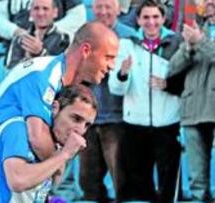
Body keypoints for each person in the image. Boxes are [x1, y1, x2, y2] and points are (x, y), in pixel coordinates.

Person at [0, 22, 119, 198]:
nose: (112, 66)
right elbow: (37, 137)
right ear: (86, 50)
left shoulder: (62, 85)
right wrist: (60, 160)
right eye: (108, 57)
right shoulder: (43, 74)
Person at [108, 1, 182, 202]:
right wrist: (123, 73)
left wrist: (167, 84)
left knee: (168, 185)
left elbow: (185, 83)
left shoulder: (176, 43)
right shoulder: (127, 44)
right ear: (138, 20)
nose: (151, 22)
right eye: (146, 17)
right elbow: (116, 88)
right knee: (138, 184)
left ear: (163, 19)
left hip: (167, 123)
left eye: (156, 17)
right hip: (135, 124)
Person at [0, 84, 97, 202]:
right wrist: (64, 155)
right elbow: (18, 181)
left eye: (87, 125)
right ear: (55, 108)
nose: (80, 130)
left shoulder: (55, 146)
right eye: (76, 118)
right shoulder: (18, 128)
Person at [79, 0, 137, 202]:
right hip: (88, 118)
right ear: (92, 9)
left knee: (121, 178)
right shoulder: (84, 34)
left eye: (108, 7)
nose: (103, 12)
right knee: (88, 180)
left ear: (118, 9)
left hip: (117, 118)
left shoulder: (130, 36)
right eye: (99, 7)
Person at [168, 0, 215, 201]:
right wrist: (188, 47)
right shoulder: (194, 30)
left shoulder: (199, 34)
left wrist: (201, 42)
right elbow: (172, 67)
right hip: (194, 110)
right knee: (196, 179)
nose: (210, 2)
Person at [4, 0, 69, 69]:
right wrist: (28, 59)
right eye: (36, 8)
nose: (40, 13)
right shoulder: (20, 39)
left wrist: (41, 53)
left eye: (45, 8)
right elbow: (11, 72)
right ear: (31, 12)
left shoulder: (64, 38)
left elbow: (61, 70)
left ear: (55, 12)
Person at [0, 0, 86, 41]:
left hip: (56, 49)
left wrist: (50, 31)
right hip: (17, 48)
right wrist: (15, 31)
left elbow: (78, 17)